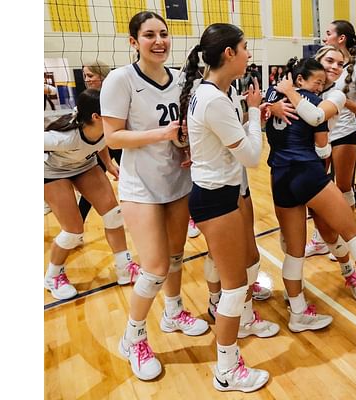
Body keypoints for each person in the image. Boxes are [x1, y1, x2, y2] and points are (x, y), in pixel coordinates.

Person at [101, 11, 209, 382]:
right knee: (155, 267)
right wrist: (162, 135)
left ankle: (174, 312)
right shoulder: (121, 79)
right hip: (140, 188)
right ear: (134, 42)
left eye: (163, 33)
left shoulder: (181, 79)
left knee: (177, 257)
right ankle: (134, 338)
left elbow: (184, 130)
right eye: (149, 35)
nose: (159, 40)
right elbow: (112, 137)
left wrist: (188, 145)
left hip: (176, 182)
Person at [272, 47, 356, 323]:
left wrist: (278, 99)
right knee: (351, 234)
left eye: (339, 63)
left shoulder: (328, 94)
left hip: (282, 173)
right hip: (309, 172)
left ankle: (327, 288)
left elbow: (314, 116)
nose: (333, 68)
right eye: (328, 63)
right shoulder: (304, 95)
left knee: (310, 242)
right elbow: (319, 137)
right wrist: (275, 104)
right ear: (314, 67)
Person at [180, 23, 270, 392]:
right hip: (215, 199)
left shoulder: (211, 91)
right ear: (229, 54)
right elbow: (251, 157)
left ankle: (242, 329)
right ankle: (226, 371)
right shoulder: (216, 99)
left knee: (239, 279)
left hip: (217, 194)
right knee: (234, 288)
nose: (249, 53)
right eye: (245, 47)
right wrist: (254, 115)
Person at [44, 89, 140, 300]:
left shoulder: (106, 128)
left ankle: (125, 267)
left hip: (85, 165)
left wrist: (108, 164)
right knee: (73, 232)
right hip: (53, 172)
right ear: (96, 116)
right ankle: (53, 276)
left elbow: (101, 142)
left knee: (114, 214)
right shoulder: (62, 138)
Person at [303, 20, 356, 261]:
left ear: (341, 38)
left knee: (343, 189)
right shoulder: (320, 66)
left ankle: (347, 237)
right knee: (317, 191)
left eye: (328, 33)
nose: (324, 37)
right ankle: (319, 238)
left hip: (344, 132)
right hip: (319, 134)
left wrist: (340, 101)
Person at [77, 61, 121, 223]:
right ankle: (77, 224)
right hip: (101, 145)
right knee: (91, 188)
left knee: (139, 178)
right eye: (84, 76)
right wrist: (108, 163)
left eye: (90, 75)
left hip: (119, 142)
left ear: (102, 76)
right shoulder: (88, 99)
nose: (87, 80)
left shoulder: (117, 95)